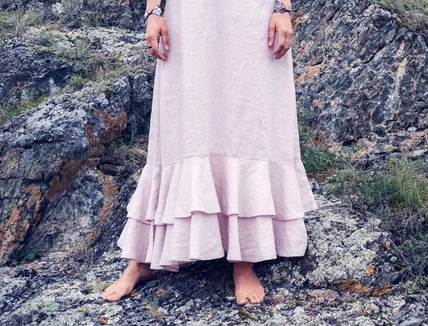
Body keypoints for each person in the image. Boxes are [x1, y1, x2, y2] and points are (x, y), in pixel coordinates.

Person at [102, 0, 318, 305]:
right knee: (184, 120)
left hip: (250, 16)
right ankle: (143, 257)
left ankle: (244, 258)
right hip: (189, 15)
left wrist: (283, 9)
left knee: (247, 118)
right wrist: (153, 12)